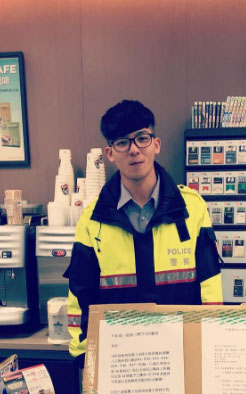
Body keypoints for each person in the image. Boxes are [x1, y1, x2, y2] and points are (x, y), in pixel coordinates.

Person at [65, 100, 223, 366]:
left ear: (156, 144)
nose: (134, 149)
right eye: (122, 142)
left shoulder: (192, 208)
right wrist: (85, 358)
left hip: (182, 356)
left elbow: (210, 287)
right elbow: (80, 296)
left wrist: (210, 348)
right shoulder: (92, 220)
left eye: (142, 138)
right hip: (121, 361)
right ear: (110, 153)